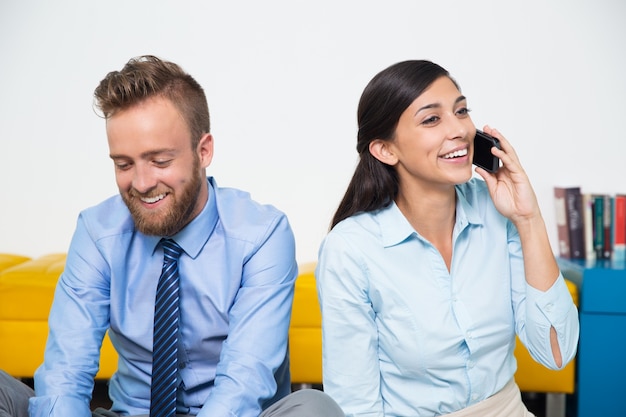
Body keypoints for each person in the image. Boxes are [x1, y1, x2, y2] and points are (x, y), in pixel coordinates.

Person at [0, 55, 343, 417]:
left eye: (160, 161)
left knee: (314, 409)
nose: (142, 183)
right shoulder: (97, 231)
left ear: (204, 150)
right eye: (124, 164)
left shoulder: (262, 235)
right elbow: (66, 371)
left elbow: (244, 380)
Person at [315, 60, 579, 416]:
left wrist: (528, 219)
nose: (459, 130)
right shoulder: (351, 249)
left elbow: (556, 352)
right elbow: (355, 403)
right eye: (431, 119)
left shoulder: (496, 211)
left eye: (461, 111)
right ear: (385, 150)